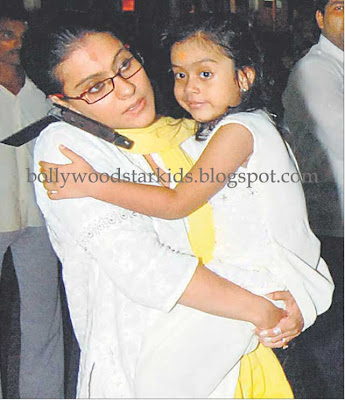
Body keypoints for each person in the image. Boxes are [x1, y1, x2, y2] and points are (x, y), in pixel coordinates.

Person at [23, 14, 330, 398]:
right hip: (147, 352)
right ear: (60, 99)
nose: (126, 89)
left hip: (235, 343)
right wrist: (262, 311)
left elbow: (275, 224)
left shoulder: (186, 131)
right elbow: (146, 268)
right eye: (96, 86)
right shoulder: (67, 149)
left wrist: (294, 301)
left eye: (124, 65)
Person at [0, 8, 64, 399]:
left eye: (23, 37)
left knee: (44, 320)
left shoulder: (45, 90)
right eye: (7, 35)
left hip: (39, 217)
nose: (17, 46)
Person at [282, 1, 343, 397]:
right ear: (319, 19)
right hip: (334, 223)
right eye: (339, 6)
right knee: (334, 335)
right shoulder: (315, 69)